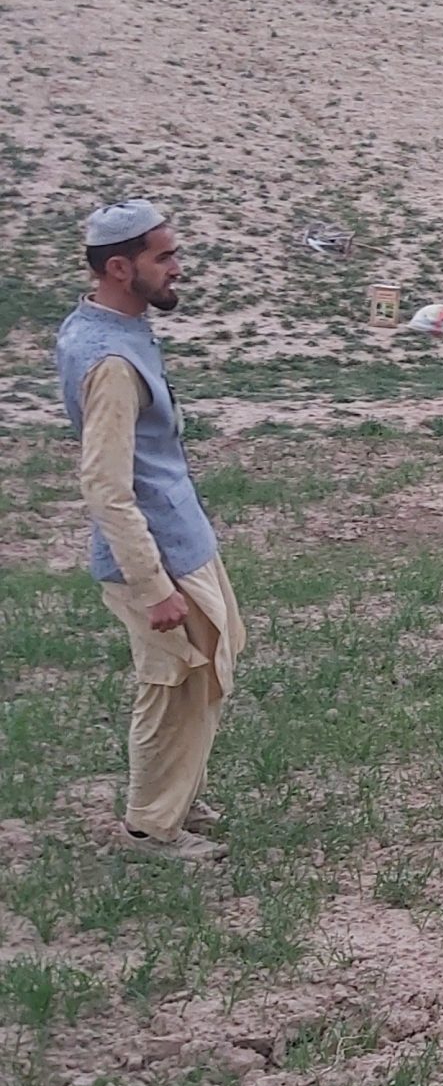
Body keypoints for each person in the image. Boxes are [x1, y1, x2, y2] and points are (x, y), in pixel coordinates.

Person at [55, 201, 245, 865]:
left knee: (205, 671)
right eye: (163, 257)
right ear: (119, 266)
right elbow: (105, 485)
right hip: (154, 552)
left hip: (181, 536)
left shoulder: (107, 327)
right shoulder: (107, 358)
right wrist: (151, 583)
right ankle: (150, 828)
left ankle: (176, 792)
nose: (177, 268)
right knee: (172, 680)